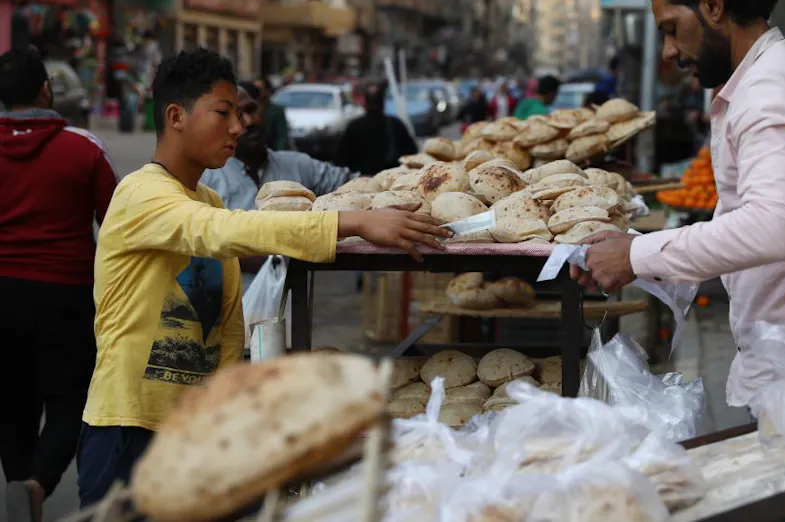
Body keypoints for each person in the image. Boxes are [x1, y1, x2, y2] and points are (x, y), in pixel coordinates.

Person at [572, 0, 785, 522]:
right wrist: (650, 266)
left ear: (712, 4)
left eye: (671, 27)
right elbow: (759, 223)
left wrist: (638, 255)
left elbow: (770, 228)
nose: (668, 51)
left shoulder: (767, 91)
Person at [76, 49, 450, 507]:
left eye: (240, 113)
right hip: (128, 430)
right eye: (223, 113)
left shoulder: (209, 198)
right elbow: (224, 232)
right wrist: (349, 223)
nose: (239, 126)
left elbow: (228, 327)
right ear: (176, 116)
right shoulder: (141, 193)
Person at [0, 49, 118, 522]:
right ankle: (36, 486)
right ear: (45, 89)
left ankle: (18, 488)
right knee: (72, 401)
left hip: (1, 295)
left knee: (11, 402)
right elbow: (117, 225)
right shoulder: (83, 146)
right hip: (67, 293)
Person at [202, 83, 356, 293]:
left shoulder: (298, 165)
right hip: (230, 314)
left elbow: (356, 187)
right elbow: (203, 251)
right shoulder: (204, 180)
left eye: (251, 110)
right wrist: (288, 248)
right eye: (237, 115)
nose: (250, 122)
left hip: (292, 311)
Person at [334, 81, 418, 176]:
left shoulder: (354, 126)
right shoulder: (395, 124)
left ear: (365, 103)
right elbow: (412, 153)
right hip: (391, 180)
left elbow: (340, 160)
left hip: (360, 181)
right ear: (383, 103)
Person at [252, 77, 290, 151]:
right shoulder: (246, 110)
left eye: (260, 89)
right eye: (254, 89)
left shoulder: (276, 111)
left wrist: (279, 155)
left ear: (267, 90)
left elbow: (281, 137)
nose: (257, 92)